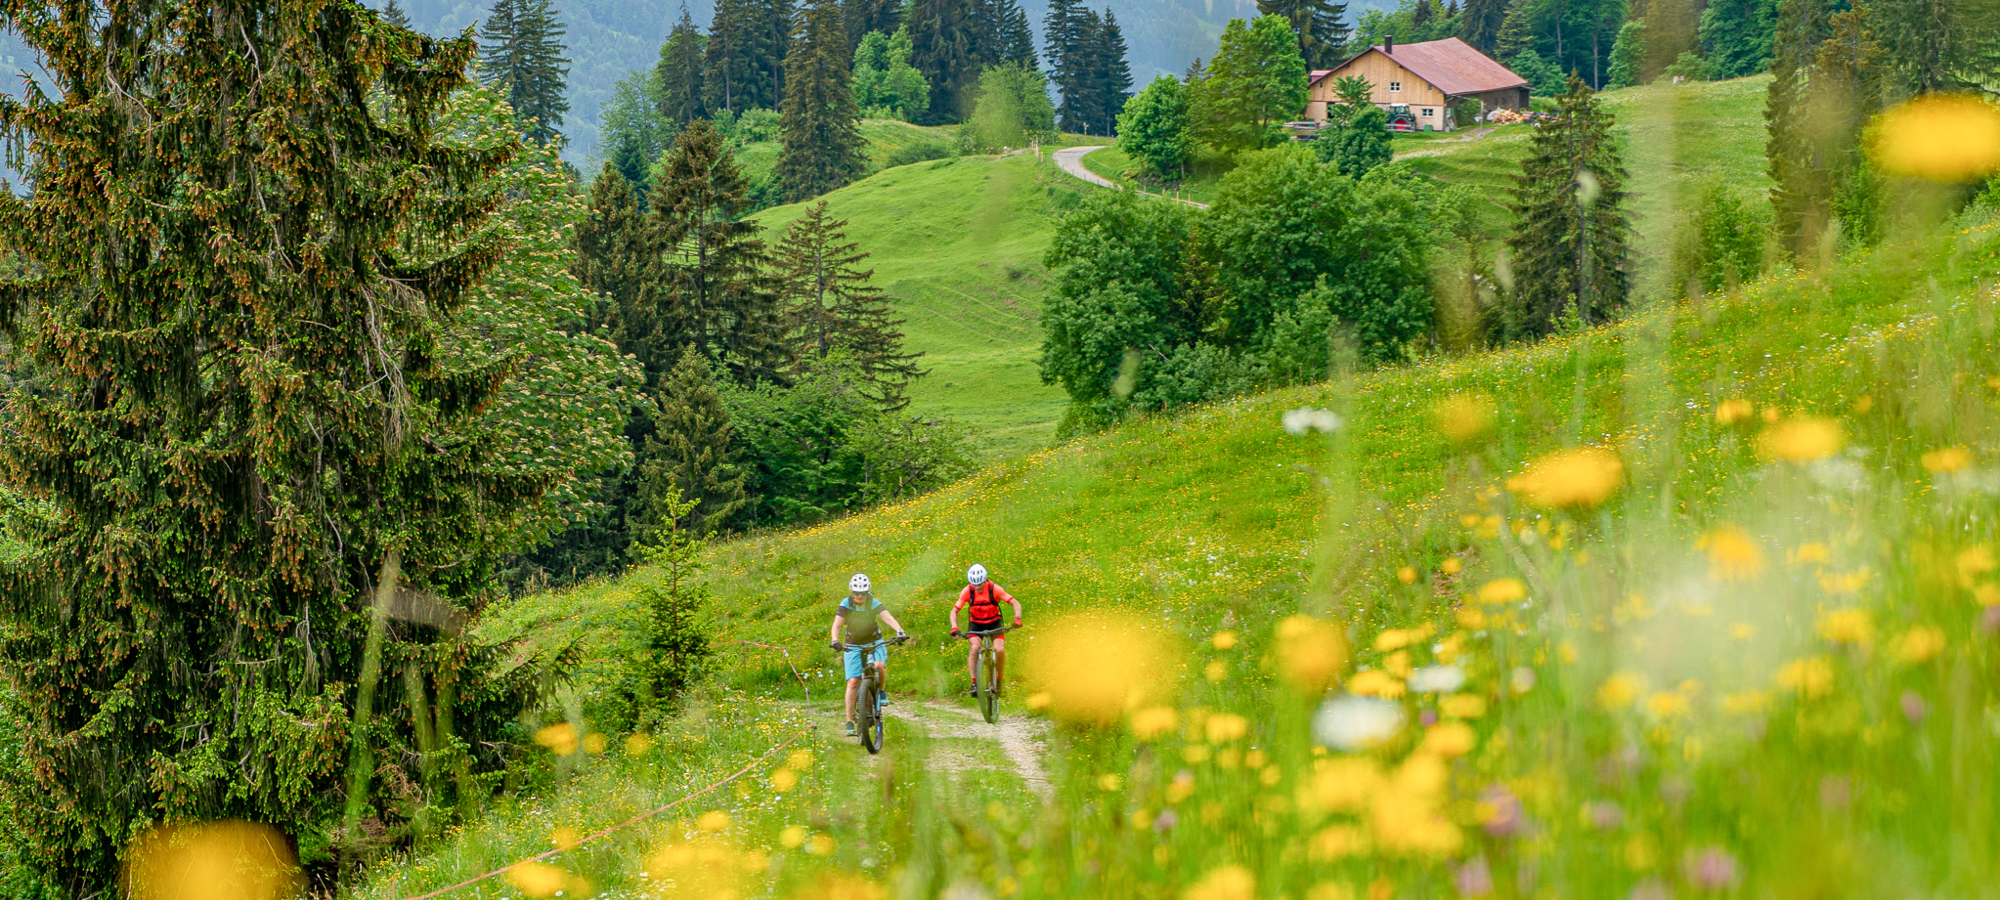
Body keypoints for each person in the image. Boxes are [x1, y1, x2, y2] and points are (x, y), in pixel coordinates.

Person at [829, 573, 906, 736]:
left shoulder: (873, 603)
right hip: (852, 645)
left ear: (868, 592)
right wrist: (835, 640)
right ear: (851, 591)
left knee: (879, 665)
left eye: (863, 593)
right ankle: (849, 721)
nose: (859, 596)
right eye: (856, 592)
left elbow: (888, 618)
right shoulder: (846, 604)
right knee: (853, 682)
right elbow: (836, 625)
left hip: (875, 641)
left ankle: (882, 691)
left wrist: (899, 631)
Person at [949, 563, 1022, 696]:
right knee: (975, 648)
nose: (977, 587)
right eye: (974, 584)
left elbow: (1015, 603)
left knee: (999, 650)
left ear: (985, 580)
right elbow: (954, 611)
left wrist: (1017, 619)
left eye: (980, 584)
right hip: (976, 624)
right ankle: (974, 683)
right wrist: (955, 627)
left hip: (995, 623)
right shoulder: (967, 591)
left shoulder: (995, 589)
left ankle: (1000, 679)